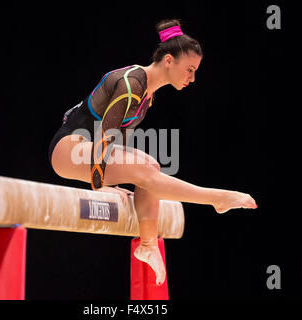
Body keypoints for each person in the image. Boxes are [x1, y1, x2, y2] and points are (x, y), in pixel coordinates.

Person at [48, 19, 258, 286]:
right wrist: (99, 184)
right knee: (146, 168)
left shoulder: (148, 94)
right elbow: (106, 134)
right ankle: (215, 198)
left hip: (87, 150)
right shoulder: (132, 84)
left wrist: (112, 177)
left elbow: (120, 143)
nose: (192, 78)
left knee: (149, 164)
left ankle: (148, 243)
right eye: (190, 69)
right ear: (169, 60)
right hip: (69, 148)